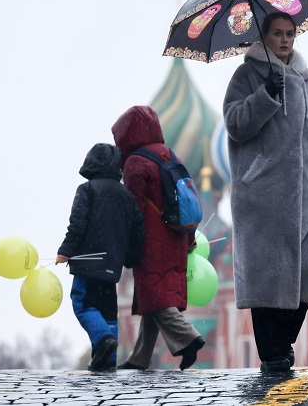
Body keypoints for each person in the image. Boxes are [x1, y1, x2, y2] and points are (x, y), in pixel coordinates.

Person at [222, 12, 308, 372]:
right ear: (265, 37)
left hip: (304, 196)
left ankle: (282, 341)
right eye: (278, 33)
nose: (285, 40)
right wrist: (266, 94)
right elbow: (235, 124)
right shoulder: (246, 75)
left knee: (304, 279)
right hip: (262, 195)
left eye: (290, 34)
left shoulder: (305, 79)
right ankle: (272, 353)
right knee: (267, 279)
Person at [111, 105, 205, 371]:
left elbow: (134, 209)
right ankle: (140, 357)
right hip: (177, 235)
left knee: (155, 294)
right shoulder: (169, 155)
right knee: (151, 295)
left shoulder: (135, 163)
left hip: (153, 240)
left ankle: (189, 338)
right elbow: (185, 199)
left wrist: (129, 242)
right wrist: (189, 236)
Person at [56, 143, 145, 372]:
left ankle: (104, 340)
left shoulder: (87, 190)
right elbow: (137, 231)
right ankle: (107, 361)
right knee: (107, 312)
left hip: (87, 262)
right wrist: (131, 258)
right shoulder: (127, 196)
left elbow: (77, 224)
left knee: (83, 304)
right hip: (112, 266)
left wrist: (66, 250)